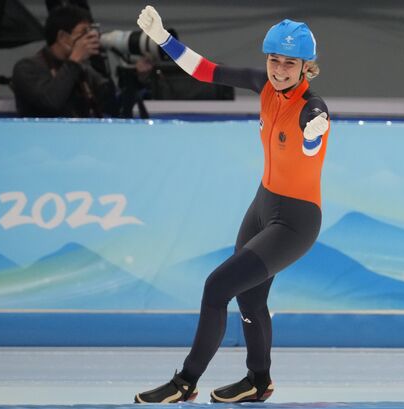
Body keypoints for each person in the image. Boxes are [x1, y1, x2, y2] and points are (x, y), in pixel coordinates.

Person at [134, 5, 330, 404]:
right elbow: (206, 70)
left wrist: (313, 136)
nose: (278, 69)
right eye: (274, 59)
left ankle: (185, 382)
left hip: (295, 221)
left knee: (216, 288)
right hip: (263, 205)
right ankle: (259, 381)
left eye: (289, 63)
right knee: (249, 297)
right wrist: (163, 40)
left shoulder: (313, 108)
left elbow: (312, 146)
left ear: (306, 67)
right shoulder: (263, 84)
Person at [11, 5, 117, 117]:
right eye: (84, 32)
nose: (89, 38)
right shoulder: (27, 68)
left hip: (79, 133)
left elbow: (109, 104)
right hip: (40, 133)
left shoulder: (83, 68)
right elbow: (51, 101)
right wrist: (74, 60)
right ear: (62, 37)